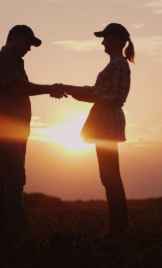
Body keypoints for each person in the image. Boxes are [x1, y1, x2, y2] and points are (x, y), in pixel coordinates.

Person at [52, 23, 134, 237]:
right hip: (104, 123)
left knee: (110, 176)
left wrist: (90, 96)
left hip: (107, 124)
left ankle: (118, 228)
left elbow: (116, 97)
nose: (102, 42)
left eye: (105, 38)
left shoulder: (118, 65)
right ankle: (119, 226)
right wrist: (71, 89)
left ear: (113, 41)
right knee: (109, 175)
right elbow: (98, 91)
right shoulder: (116, 64)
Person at [0, 25, 66, 236]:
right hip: (3, 131)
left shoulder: (17, 63)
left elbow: (24, 88)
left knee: (7, 179)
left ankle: (2, 232)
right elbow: (20, 88)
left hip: (18, 132)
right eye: (28, 42)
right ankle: (19, 231)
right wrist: (50, 88)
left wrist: (50, 89)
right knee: (16, 177)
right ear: (15, 37)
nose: (29, 47)